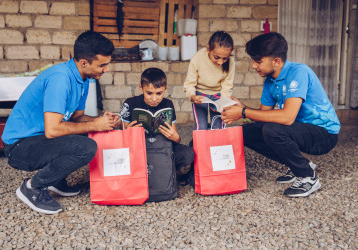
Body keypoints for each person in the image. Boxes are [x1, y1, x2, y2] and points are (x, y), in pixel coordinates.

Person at [1, 31, 118, 214]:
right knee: (86, 147)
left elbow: (76, 118)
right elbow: (53, 130)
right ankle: (33, 187)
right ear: (84, 62)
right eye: (102, 65)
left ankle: (56, 179)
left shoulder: (84, 78)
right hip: (19, 147)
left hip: (39, 138)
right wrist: (94, 125)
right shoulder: (60, 79)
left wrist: (102, 121)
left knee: (94, 133)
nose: (107, 69)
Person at [221, 32, 340, 198]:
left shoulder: (299, 72)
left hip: (324, 134)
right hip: (298, 130)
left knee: (272, 130)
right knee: (245, 132)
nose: (254, 66)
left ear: (276, 61)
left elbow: (287, 117)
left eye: (258, 61)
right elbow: (263, 115)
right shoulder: (270, 81)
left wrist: (242, 112)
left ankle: (307, 177)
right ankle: (300, 165)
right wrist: (243, 109)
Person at [120, 67, 194, 179]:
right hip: (139, 150)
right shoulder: (130, 103)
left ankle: (161, 170)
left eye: (159, 93)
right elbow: (121, 139)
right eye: (149, 93)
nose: (154, 98)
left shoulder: (168, 104)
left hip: (161, 149)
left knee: (188, 154)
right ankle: (155, 170)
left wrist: (174, 136)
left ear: (165, 88)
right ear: (141, 88)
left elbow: (177, 140)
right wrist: (127, 132)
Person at [183, 31, 235, 130]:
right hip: (199, 96)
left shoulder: (231, 62)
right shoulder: (197, 58)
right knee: (200, 127)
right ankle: (199, 145)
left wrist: (223, 102)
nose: (220, 62)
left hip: (218, 96)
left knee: (218, 126)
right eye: (216, 57)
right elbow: (189, 83)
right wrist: (192, 96)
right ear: (208, 49)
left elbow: (227, 86)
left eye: (225, 59)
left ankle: (215, 145)